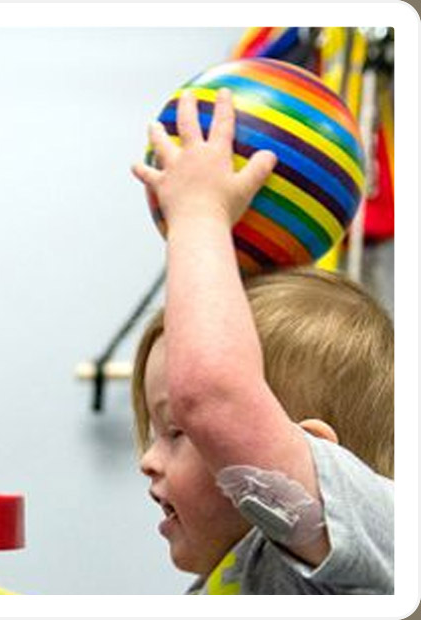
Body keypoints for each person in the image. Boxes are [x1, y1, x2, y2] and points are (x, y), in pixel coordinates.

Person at [128, 88, 394, 594]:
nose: (148, 460)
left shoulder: (374, 534)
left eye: (179, 431)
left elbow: (212, 394)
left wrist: (200, 212)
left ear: (313, 456)